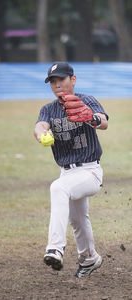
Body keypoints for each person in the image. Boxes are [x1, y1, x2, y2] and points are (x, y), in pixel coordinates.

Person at [34, 62, 109, 278]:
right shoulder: (48, 109)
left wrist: (91, 117)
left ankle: (55, 248)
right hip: (67, 173)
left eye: (61, 79)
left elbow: (103, 122)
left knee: (57, 188)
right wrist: (41, 134)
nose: (57, 85)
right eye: (53, 82)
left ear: (73, 80)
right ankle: (89, 258)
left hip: (90, 171)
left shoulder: (86, 101)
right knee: (77, 220)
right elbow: (40, 125)